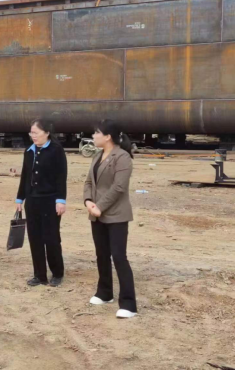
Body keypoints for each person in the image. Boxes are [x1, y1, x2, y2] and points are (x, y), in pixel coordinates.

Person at [83, 119, 137, 319]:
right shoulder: (97, 156)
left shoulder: (122, 157)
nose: (93, 136)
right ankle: (105, 292)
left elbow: (119, 187)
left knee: (119, 257)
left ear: (107, 137)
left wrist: (100, 206)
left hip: (116, 215)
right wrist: (88, 201)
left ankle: (129, 304)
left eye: (96, 133)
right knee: (101, 254)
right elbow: (89, 182)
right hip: (96, 213)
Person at [16, 119, 67, 287]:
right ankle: (39, 275)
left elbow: (61, 176)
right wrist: (20, 198)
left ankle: (57, 273)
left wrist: (60, 200)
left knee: (51, 238)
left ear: (47, 133)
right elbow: (25, 176)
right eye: (31, 133)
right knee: (35, 238)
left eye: (36, 133)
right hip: (32, 200)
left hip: (50, 201)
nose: (33, 136)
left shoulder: (56, 150)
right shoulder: (29, 151)